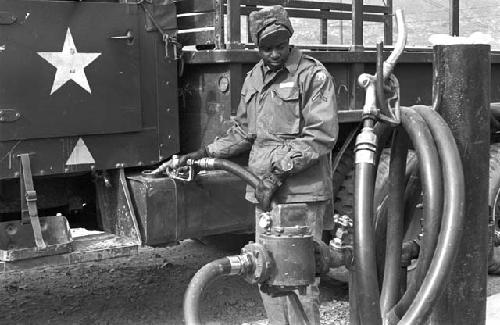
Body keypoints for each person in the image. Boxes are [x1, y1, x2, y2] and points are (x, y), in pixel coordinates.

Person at [169, 5, 338, 324]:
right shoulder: (254, 77)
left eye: (280, 46)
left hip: (301, 196)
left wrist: (278, 172)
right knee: (268, 273)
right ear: (256, 47)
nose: (274, 53)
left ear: (290, 39)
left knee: (300, 280)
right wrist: (206, 151)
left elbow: (321, 135)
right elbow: (244, 131)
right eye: (266, 48)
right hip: (264, 194)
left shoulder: (313, 75)